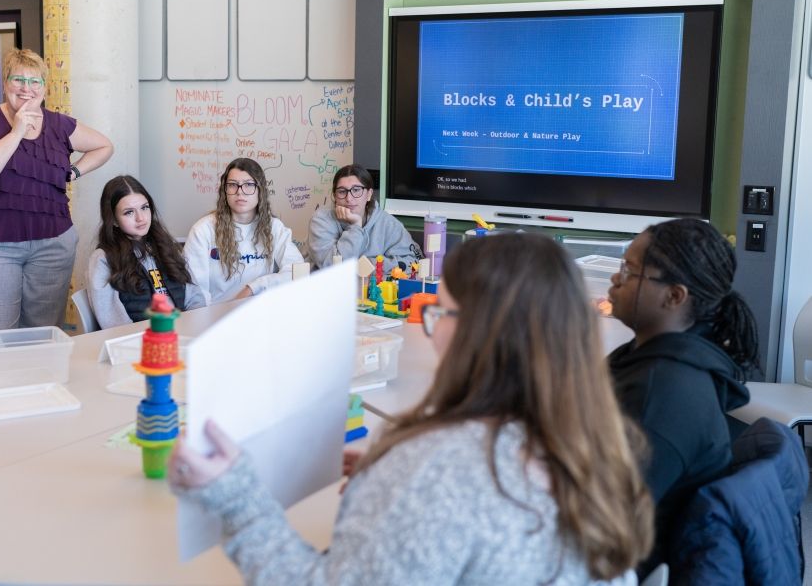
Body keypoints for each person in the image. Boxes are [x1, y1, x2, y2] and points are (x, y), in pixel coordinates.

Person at [169, 233, 654, 585]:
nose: (429, 326)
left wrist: (236, 499)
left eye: (439, 312)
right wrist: (393, 484)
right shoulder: (594, 442)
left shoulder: (439, 466)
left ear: (476, 333)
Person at [606, 217, 759, 572]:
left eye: (629, 271)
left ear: (674, 296)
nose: (617, 279)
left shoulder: (662, 395)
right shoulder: (649, 357)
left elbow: (606, 519)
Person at [0, 48, 113, 330]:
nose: (26, 89)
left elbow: (105, 146)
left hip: (54, 245)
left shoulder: (59, 124)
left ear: (44, 87)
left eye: (35, 82)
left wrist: (74, 171)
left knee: (42, 335)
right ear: (5, 84)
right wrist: (17, 131)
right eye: (18, 80)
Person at [86, 175, 205, 329]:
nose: (141, 218)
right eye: (129, 212)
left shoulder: (166, 246)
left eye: (145, 207)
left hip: (182, 333)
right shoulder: (103, 258)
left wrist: (198, 329)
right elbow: (113, 321)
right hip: (143, 341)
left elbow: (194, 297)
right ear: (114, 220)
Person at [183, 158, 303, 304]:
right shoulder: (203, 230)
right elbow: (195, 293)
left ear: (261, 190)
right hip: (217, 318)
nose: (240, 192)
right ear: (224, 191)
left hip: (262, 314)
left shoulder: (274, 227)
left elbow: (298, 272)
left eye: (248, 185)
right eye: (233, 185)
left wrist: (254, 288)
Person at [307, 164, 421, 273]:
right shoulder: (321, 220)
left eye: (356, 190)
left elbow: (415, 261)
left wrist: (367, 265)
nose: (349, 198)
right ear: (335, 196)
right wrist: (355, 226)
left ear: (369, 194)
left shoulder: (387, 223)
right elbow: (333, 267)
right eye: (342, 191)